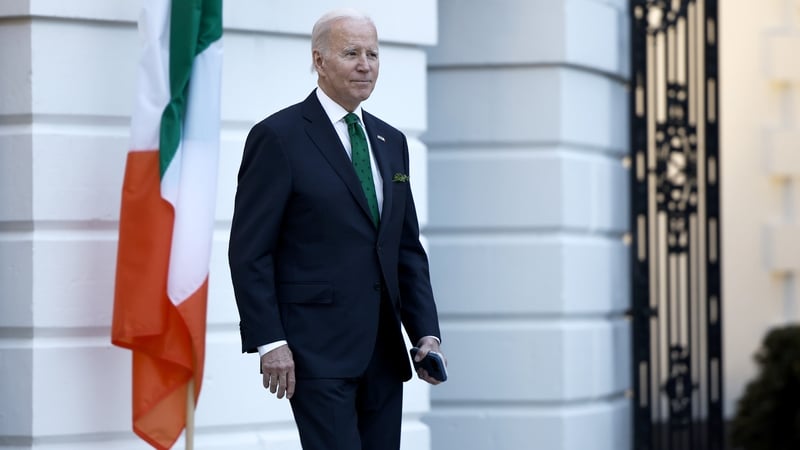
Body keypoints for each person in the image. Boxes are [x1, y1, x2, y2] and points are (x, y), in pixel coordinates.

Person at [228, 8, 446, 450]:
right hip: (316, 351)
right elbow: (250, 252)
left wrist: (425, 333)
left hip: (384, 352)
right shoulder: (279, 136)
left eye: (373, 53)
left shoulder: (390, 141)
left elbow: (404, 248)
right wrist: (270, 341)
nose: (365, 65)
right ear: (320, 60)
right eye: (351, 53)